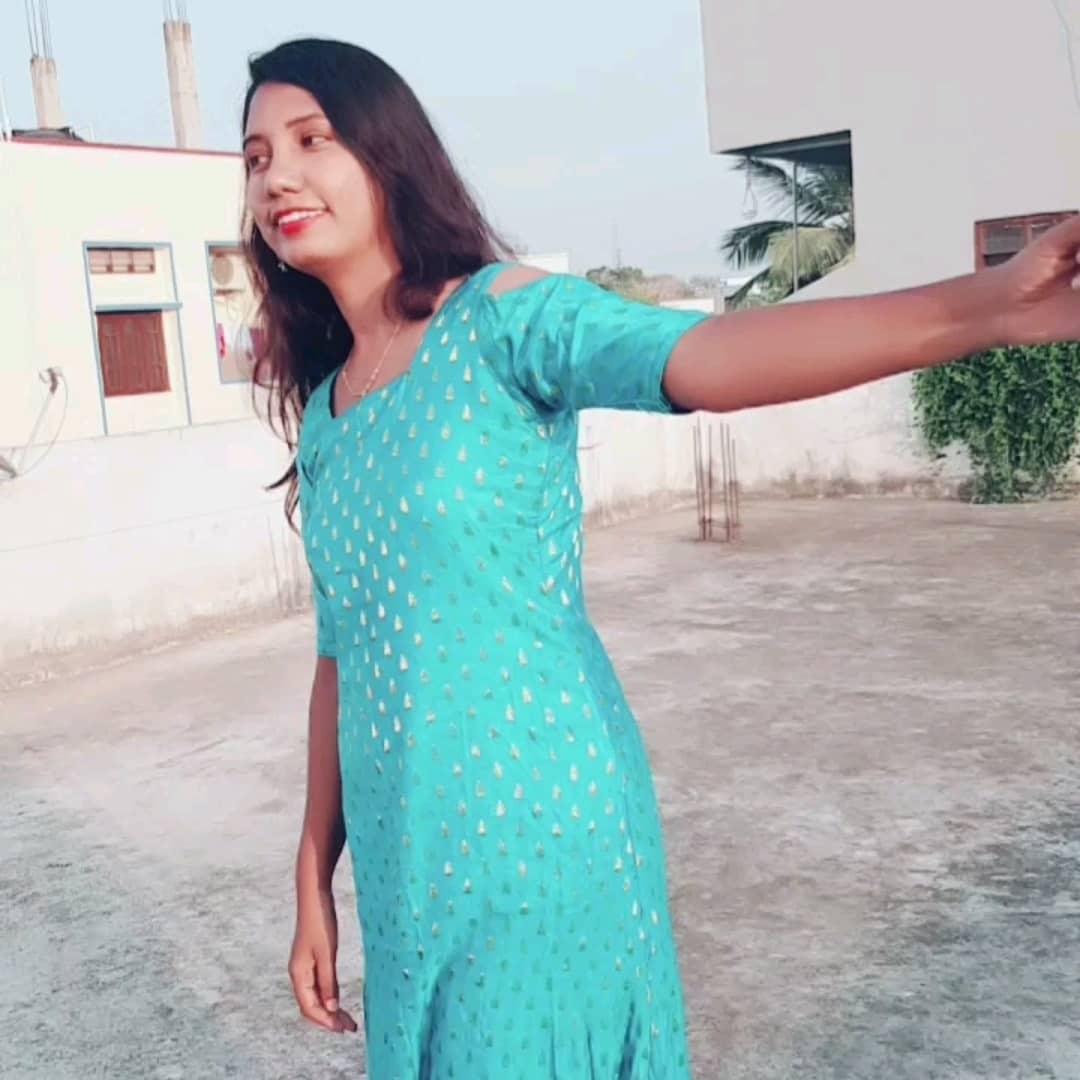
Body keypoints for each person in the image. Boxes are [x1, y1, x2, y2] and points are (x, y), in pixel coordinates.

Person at [241, 36, 1080, 1079]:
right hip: (403, 860)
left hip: (535, 828)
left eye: (311, 140)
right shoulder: (328, 416)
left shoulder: (501, 321)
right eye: (256, 157)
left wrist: (984, 308)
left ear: (387, 153)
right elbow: (342, 655)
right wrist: (312, 873)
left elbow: (700, 357)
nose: (277, 176)